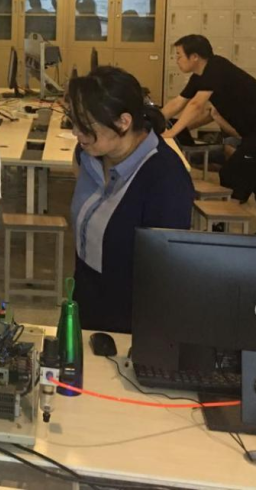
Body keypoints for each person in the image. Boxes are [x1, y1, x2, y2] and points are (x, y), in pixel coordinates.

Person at [66, 66, 194, 334]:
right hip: (86, 297)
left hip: (131, 317)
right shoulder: (87, 154)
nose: (76, 133)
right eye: (73, 122)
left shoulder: (165, 179)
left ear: (124, 122)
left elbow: (163, 271)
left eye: (86, 126)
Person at [161, 35, 256, 235]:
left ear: (194, 56)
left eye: (179, 55)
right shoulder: (200, 77)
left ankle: (222, 224)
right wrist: (156, 119)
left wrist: (172, 133)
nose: (176, 60)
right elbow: (178, 102)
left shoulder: (216, 68)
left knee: (233, 171)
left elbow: (196, 104)